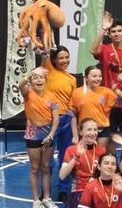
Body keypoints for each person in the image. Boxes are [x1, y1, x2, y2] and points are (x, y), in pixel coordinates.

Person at [90, 13, 122, 136]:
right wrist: (103, 29)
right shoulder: (105, 49)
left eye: (119, 31)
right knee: (109, 134)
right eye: (113, 31)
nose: (116, 34)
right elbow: (93, 50)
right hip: (109, 99)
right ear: (109, 34)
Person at [20, 67, 60, 208]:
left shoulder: (52, 96)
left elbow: (56, 120)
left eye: (41, 77)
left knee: (46, 167)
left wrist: (50, 135)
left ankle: (47, 198)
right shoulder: (27, 93)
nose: (38, 80)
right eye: (35, 77)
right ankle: (36, 200)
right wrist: (28, 75)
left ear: (45, 80)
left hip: (48, 136)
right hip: (32, 136)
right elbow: (20, 85)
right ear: (31, 80)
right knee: (34, 168)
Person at [45, 45, 77, 202]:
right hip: (49, 120)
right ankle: (45, 190)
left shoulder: (72, 79)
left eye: (66, 57)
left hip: (66, 120)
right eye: (61, 58)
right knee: (47, 158)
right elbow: (45, 51)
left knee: (65, 155)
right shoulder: (48, 71)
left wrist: (73, 125)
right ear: (54, 60)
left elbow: (72, 104)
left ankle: (63, 189)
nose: (64, 60)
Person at [70, 66, 118, 147]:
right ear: (86, 78)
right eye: (94, 76)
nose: (98, 78)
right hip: (85, 131)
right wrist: (75, 135)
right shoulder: (77, 93)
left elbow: (112, 106)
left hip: (102, 130)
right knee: (85, 157)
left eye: (100, 76)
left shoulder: (107, 92)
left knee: (100, 156)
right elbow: (73, 115)